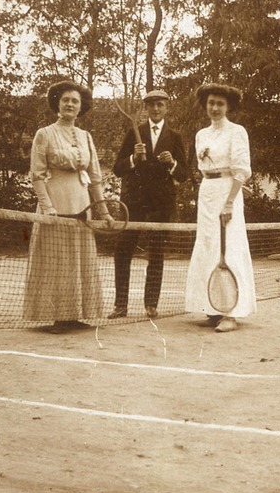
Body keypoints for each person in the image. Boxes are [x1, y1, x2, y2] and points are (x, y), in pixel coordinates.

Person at [23, 79, 111, 332]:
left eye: (75, 101)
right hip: (55, 204)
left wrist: (103, 210)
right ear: (57, 104)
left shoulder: (86, 136)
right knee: (57, 261)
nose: (70, 104)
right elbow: (37, 175)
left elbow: (95, 178)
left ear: (81, 106)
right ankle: (58, 317)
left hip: (82, 205)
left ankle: (75, 315)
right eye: (66, 100)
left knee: (79, 260)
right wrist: (47, 207)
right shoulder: (44, 134)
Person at [110, 88, 189, 319]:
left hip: (161, 205)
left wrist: (172, 163)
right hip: (133, 203)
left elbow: (183, 174)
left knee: (156, 253)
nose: (156, 108)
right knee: (123, 251)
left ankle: (151, 304)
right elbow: (117, 168)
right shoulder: (133, 133)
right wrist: (133, 158)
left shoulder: (175, 137)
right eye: (151, 104)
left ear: (167, 107)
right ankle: (120, 305)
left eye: (160, 104)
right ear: (145, 108)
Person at [185, 83, 256, 332]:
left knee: (229, 248)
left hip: (228, 193)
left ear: (228, 107)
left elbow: (241, 171)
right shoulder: (201, 135)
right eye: (211, 103)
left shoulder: (237, 132)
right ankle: (213, 307)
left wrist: (229, 202)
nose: (214, 108)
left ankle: (231, 312)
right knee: (208, 246)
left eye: (220, 104)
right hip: (207, 193)